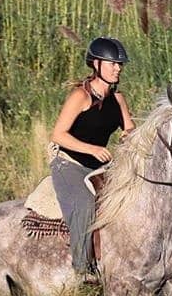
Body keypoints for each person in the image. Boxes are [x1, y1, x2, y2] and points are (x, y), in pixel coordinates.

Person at [50, 36, 135, 275]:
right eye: (112, 64)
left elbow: (129, 127)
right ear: (96, 65)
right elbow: (58, 134)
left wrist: (129, 135)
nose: (118, 68)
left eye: (120, 64)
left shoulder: (118, 100)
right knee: (85, 205)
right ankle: (83, 270)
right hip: (69, 165)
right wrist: (92, 149)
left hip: (100, 169)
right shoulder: (80, 96)